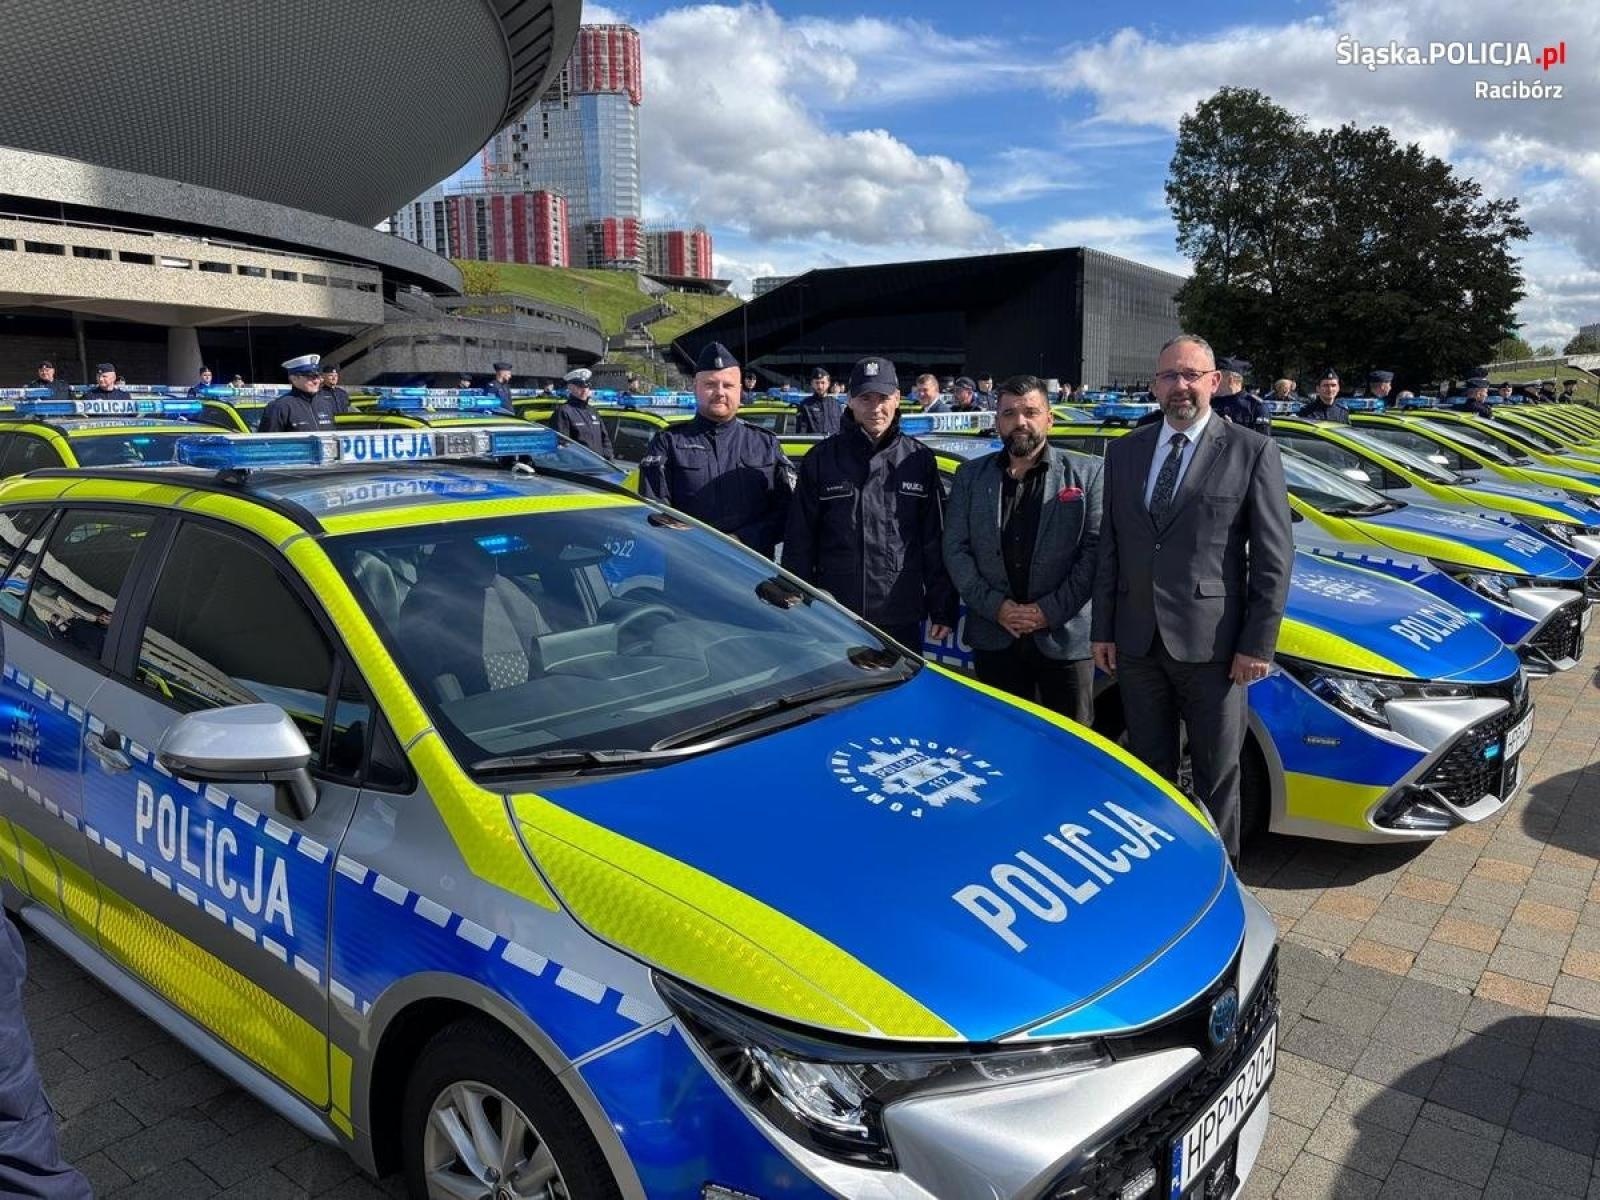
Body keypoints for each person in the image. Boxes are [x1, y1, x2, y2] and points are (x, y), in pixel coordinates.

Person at [1091, 333, 1293, 861]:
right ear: (1155, 385)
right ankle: (1162, 878)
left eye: (1190, 376)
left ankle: (1225, 889)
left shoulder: (1252, 450)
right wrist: (1103, 629)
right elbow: (1110, 545)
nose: (1179, 387)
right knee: (1149, 776)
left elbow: (1274, 558)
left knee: (1217, 779)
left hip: (1216, 652)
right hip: (1136, 646)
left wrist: (1258, 645)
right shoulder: (1126, 451)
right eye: (1168, 377)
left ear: (1214, 383)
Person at [945, 375, 1103, 723]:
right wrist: (998, 608)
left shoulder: (1088, 473)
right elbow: (956, 550)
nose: (1020, 422)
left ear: (1049, 417)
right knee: (999, 744)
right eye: (1009, 413)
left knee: (1069, 750)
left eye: (1031, 412)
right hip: (994, 636)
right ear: (997, 420)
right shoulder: (970, 476)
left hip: (1064, 641)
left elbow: (1094, 554)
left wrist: (1047, 611)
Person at [782, 355, 955, 649]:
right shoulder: (821, 459)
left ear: (898, 398)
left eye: (883, 397)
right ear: (849, 401)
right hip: (835, 613)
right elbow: (800, 540)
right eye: (865, 398)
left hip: (900, 614)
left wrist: (942, 607)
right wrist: (796, 604)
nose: (876, 407)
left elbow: (933, 541)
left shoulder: (919, 461)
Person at [640, 342, 793, 556]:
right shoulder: (668, 443)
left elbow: (787, 513)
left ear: (740, 390)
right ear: (695, 387)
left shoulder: (765, 444)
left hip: (754, 570)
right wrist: (704, 544)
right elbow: (654, 510)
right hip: (690, 572)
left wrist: (742, 539)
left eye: (728, 385)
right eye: (710, 384)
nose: (720, 392)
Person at [258, 354, 337, 432]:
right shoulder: (279, 407)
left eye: (317, 377)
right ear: (294, 378)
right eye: (310, 376)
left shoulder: (325, 405)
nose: (316, 381)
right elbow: (268, 442)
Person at [551, 368, 613, 456]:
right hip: (579, 468)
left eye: (587, 386)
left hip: (599, 467)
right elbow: (562, 445)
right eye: (580, 386)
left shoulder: (593, 411)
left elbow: (605, 440)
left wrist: (609, 460)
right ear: (570, 387)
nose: (584, 390)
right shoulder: (563, 412)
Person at [1211, 357, 1270, 431]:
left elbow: (1263, 440)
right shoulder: (1212, 402)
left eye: (1218, 378)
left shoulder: (1255, 406)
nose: (1213, 381)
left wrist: (1234, 431)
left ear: (1230, 380)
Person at [795, 367, 841, 435]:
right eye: (817, 383)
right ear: (812, 384)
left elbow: (841, 428)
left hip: (834, 444)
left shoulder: (835, 404)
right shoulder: (805, 405)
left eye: (823, 383)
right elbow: (801, 433)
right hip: (815, 444)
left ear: (828, 383)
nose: (820, 386)